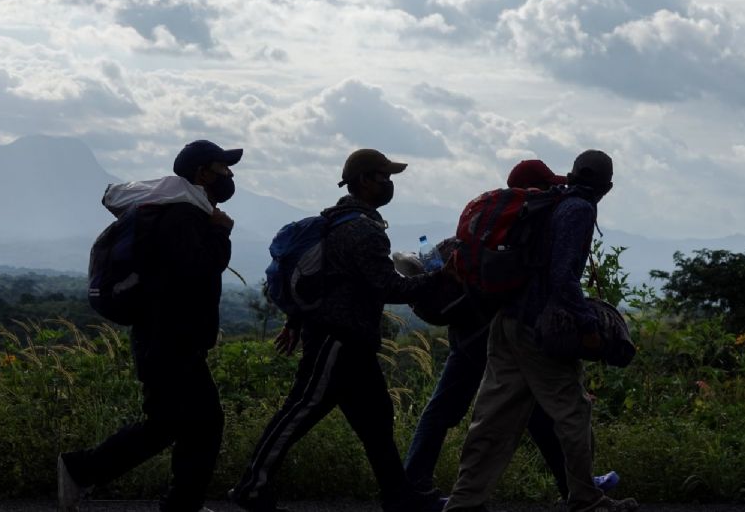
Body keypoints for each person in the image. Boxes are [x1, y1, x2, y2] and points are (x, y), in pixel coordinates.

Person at [229, 149, 445, 512]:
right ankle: (252, 487)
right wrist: (440, 278)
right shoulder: (362, 230)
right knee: (300, 411)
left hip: (348, 340)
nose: (390, 184)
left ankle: (398, 495)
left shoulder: (339, 222)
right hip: (338, 341)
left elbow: (328, 280)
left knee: (376, 419)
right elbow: (387, 287)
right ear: (364, 180)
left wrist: (296, 319)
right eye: (384, 176)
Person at [404, 158, 619, 503]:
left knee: (492, 420)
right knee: (571, 412)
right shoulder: (575, 208)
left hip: (505, 325)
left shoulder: (520, 214)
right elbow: (563, 277)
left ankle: (464, 501)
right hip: (531, 328)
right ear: (607, 188)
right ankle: (584, 496)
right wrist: (588, 324)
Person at [58, 140, 241, 512]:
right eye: (224, 167)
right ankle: (80, 469)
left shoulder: (185, 211)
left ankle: (182, 503)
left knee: (201, 422)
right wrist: (221, 232)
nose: (230, 175)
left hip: (174, 338)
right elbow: (197, 269)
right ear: (202, 173)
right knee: (170, 423)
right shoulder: (182, 216)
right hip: (167, 338)